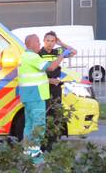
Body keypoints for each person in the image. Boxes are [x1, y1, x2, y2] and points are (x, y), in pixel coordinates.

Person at [17, 34, 63, 163]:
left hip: (28, 95)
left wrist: (48, 80)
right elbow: (51, 67)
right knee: (38, 125)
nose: (39, 45)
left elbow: (33, 76)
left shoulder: (24, 57)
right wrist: (62, 55)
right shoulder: (33, 57)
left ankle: (27, 153)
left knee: (29, 125)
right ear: (32, 43)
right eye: (38, 42)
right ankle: (35, 155)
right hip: (36, 95)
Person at [38, 31, 76, 151]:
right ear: (44, 41)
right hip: (44, 85)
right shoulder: (39, 54)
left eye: (52, 41)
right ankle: (43, 143)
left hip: (56, 87)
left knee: (55, 114)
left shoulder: (58, 51)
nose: (50, 43)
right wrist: (48, 80)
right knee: (44, 114)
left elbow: (74, 51)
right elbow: (36, 73)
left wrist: (61, 43)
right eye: (48, 40)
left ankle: (53, 143)